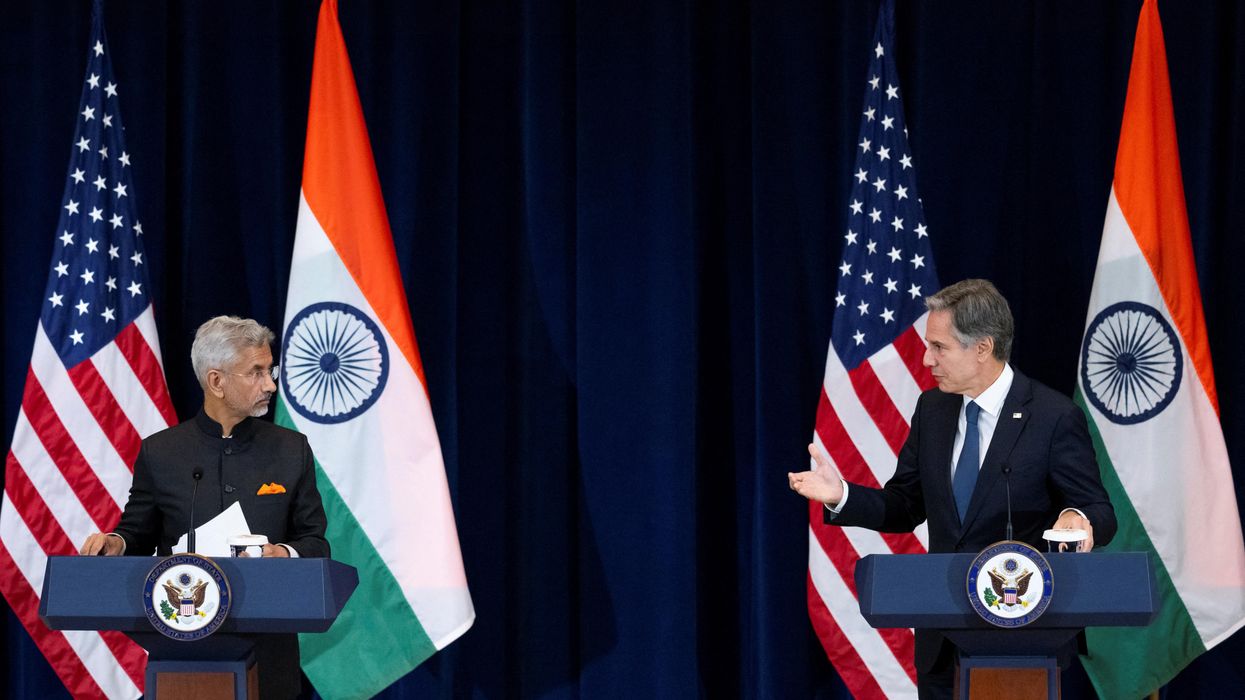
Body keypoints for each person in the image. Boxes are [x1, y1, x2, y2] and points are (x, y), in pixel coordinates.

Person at [788, 278, 1116, 699]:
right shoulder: (934, 409)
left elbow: (1099, 511)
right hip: (942, 638)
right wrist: (843, 495)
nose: (926, 360)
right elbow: (906, 505)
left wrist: (1078, 518)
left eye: (939, 347)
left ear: (982, 348)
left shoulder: (1052, 417)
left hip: (1023, 641)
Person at [80, 315, 329, 700]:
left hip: (270, 659)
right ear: (217, 381)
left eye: (270, 369)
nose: (271, 384)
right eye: (256, 372)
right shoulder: (161, 452)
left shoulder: (290, 449)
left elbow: (315, 541)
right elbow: (137, 532)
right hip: (182, 655)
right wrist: (116, 543)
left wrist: (285, 552)